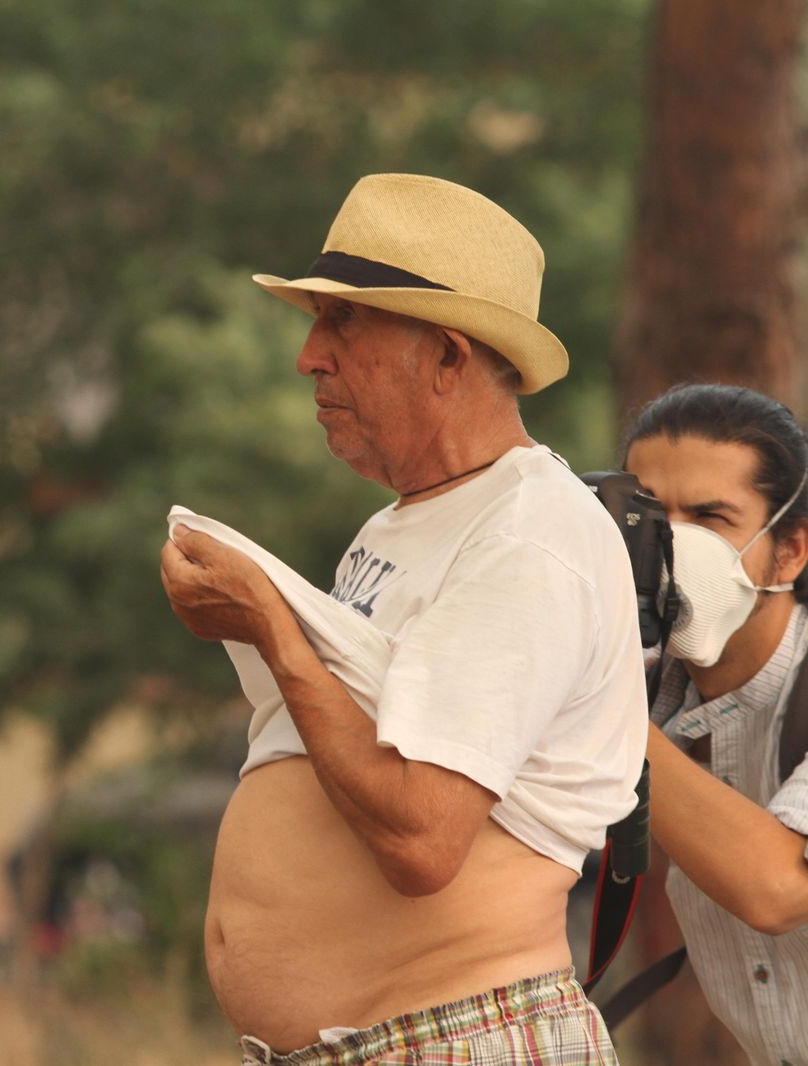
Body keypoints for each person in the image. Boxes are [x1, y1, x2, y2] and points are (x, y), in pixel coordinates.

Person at [159, 174, 645, 1065]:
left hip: (461, 1038)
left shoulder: (531, 534)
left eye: (342, 322)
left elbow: (422, 838)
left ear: (449, 357)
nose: (309, 356)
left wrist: (272, 629)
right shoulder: (410, 524)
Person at [620, 383, 808, 1066]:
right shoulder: (643, 690)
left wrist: (595, 698)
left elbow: (776, 888)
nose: (672, 543)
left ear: (791, 550)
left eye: (709, 517)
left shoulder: (609, 700)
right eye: (648, 514)